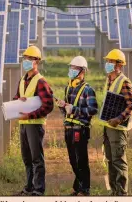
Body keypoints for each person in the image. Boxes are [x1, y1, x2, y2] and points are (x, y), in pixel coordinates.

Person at [12, 45, 54, 196]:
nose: (26, 61)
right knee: (27, 158)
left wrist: (30, 115)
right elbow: (16, 98)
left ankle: (38, 189)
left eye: (30, 59)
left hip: (34, 125)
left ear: (37, 61)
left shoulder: (40, 81)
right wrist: (18, 100)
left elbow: (48, 105)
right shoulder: (23, 80)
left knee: (37, 158)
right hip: (23, 124)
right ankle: (29, 187)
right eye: (25, 58)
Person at [57, 56, 98, 196]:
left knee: (81, 161)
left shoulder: (88, 90)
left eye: (74, 68)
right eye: (71, 67)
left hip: (80, 130)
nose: (71, 70)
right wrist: (63, 107)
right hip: (68, 128)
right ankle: (78, 187)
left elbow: (93, 110)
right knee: (73, 160)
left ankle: (84, 189)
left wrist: (74, 109)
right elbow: (67, 111)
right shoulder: (68, 88)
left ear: (82, 71)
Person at [100, 49, 132, 196]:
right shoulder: (109, 79)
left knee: (119, 160)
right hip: (108, 127)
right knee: (110, 160)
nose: (108, 64)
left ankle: (122, 194)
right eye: (107, 61)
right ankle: (114, 191)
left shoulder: (124, 82)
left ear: (119, 65)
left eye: (111, 61)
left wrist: (119, 119)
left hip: (117, 128)